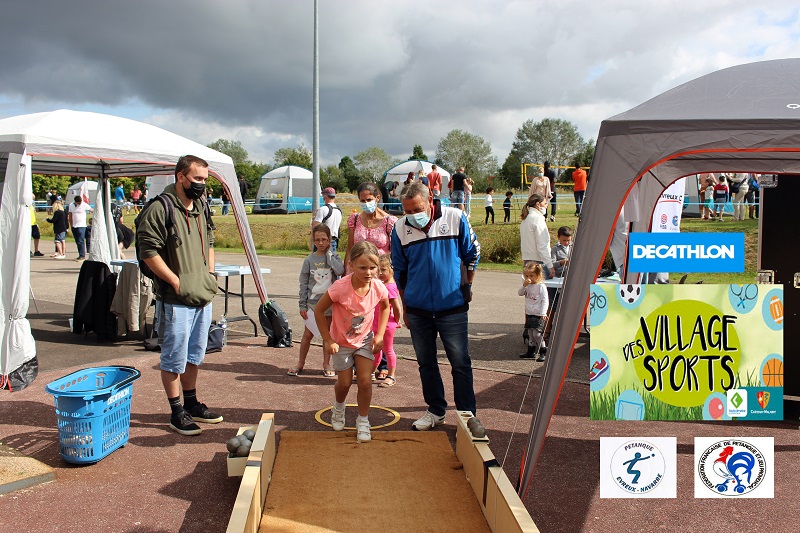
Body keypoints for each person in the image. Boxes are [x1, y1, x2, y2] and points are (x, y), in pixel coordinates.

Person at [136, 155, 222, 436]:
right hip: (176, 300)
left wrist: (209, 274)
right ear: (181, 177)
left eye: (205, 180)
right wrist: (174, 281)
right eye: (197, 179)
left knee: (195, 355)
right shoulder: (160, 208)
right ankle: (176, 413)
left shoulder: (201, 205)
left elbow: (209, 240)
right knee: (174, 357)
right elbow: (147, 251)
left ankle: (192, 403)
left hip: (202, 296)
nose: (201, 185)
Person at [391, 181, 483, 432]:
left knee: (460, 362)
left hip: (452, 305)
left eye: (416, 209)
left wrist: (467, 287)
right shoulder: (400, 228)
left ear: (430, 200)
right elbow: (399, 270)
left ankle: (466, 414)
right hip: (418, 309)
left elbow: (472, 252)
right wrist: (405, 307)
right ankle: (435, 410)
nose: (412, 216)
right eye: (407, 211)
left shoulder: (455, 217)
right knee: (426, 363)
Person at [315, 240, 390, 443]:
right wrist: (328, 339)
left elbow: (385, 307)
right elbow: (319, 310)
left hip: (365, 341)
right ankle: (339, 407)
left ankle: (363, 420)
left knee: (366, 381)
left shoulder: (377, 287)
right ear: (351, 265)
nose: (368, 272)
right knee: (345, 382)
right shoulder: (340, 287)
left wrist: (380, 334)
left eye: (373, 268)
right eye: (363, 267)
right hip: (342, 342)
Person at [346, 182, 396, 379]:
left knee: (378, 321)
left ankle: (382, 363)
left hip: (380, 279)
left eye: (369, 199)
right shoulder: (355, 219)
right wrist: (346, 272)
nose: (366, 203)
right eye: (362, 200)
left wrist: (391, 277)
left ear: (377, 198)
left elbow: (395, 251)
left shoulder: (389, 222)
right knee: (357, 319)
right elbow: (350, 248)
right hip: (358, 278)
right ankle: (358, 362)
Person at [290, 224, 344, 378]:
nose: (321, 243)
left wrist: (329, 256)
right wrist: (302, 304)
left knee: (327, 335)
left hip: (329, 304)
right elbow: (303, 283)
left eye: (324, 240)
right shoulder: (309, 260)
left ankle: (327, 363)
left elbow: (339, 271)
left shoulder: (335, 257)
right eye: (317, 240)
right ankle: (301, 362)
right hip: (312, 305)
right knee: (308, 334)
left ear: (330, 240)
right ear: (313, 241)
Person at [373, 254, 402, 388]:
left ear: (391, 269)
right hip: (377, 322)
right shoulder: (382, 284)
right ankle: (372, 372)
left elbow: (396, 307)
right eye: (378, 270)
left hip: (387, 324)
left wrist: (397, 321)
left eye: (383, 270)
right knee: (376, 348)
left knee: (388, 349)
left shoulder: (389, 287)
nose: (380, 273)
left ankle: (391, 375)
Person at [518, 262, 548, 362]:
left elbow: (545, 300)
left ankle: (543, 351)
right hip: (529, 312)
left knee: (537, 334)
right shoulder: (527, 285)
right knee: (530, 333)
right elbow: (520, 293)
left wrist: (543, 312)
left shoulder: (541, 286)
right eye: (526, 276)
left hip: (538, 313)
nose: (529, 278)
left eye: (531, 275)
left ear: (537, 275)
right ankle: (531, 351)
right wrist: (524, 285)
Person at [520, 193, 553, 278]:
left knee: (530, 290)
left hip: (527, 261)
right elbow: (542, 245)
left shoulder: (525, 219)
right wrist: (550, 266)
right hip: (538, 262)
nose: (546, 206)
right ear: (538, 204)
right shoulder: (537, 219)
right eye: (545, 203)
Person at [312, 188, 343, 252]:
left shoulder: (323, 209)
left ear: (325, 196)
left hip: (322, 241)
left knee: (318, 261)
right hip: (334, 241)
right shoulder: (339, 210)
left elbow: (315, 227)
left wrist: (314, 217)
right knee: (331, 261)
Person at [68, 194, 93, 261]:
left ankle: (82, 256)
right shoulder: (71, 205)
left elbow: (91, 210)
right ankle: (80, 254)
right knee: (77, 241)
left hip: (81, 225)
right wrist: (71, 224)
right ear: (75, 201)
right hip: (74, 225)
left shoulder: (84, 205)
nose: (79, 204)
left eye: (80, 202)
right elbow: (70, 215)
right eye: (78, 202)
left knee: (80, 241)